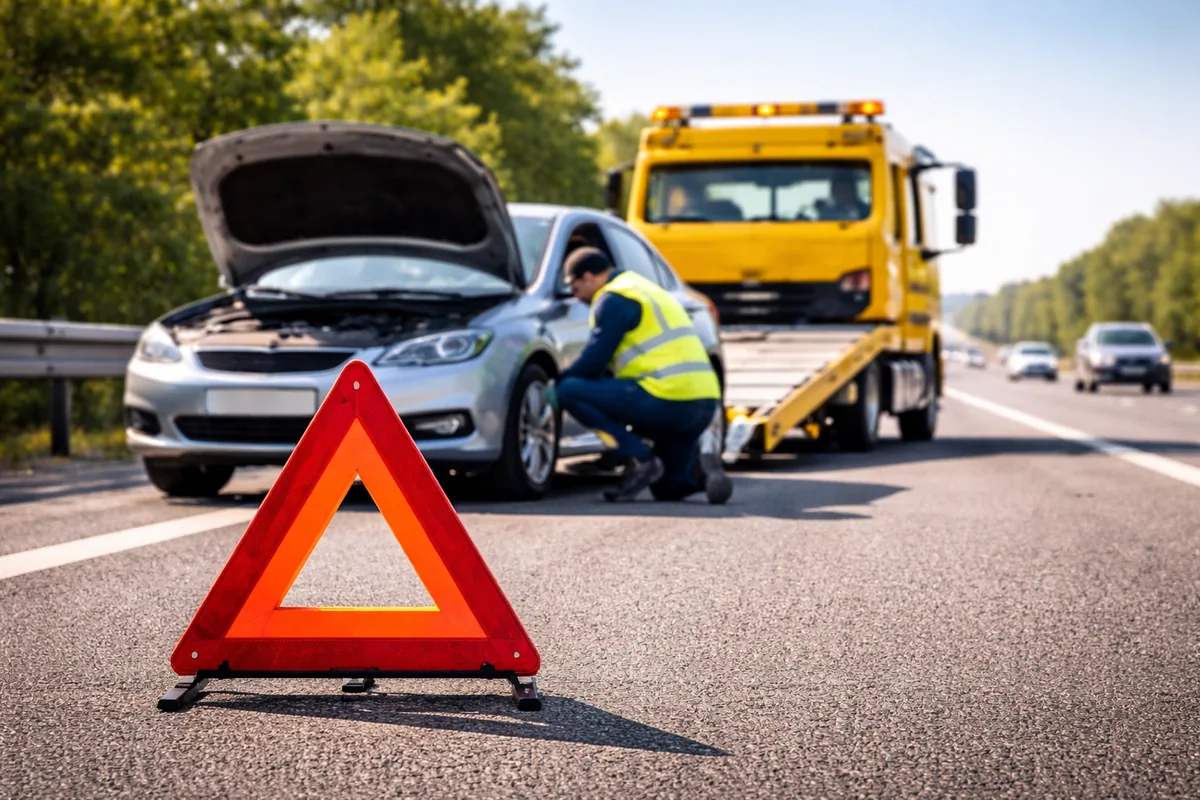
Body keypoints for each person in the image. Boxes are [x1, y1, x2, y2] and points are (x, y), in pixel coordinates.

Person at [547, 246, 733, 504]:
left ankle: (639, 458)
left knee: (570, 390)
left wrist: (557, 381)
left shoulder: (614, 298)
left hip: (665, 398)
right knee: (667, 489)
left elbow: (594, 362)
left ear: (588, 277)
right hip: (703, 404)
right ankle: (698, 474)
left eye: (575, 289)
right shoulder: (645, 289)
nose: (576, 297)